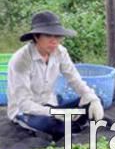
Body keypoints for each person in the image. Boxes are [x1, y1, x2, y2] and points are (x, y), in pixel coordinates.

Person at [7, 11, 105, 141]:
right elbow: (24, 103)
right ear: (36, 36)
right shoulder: (21, 60)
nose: (54, 41)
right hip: (27, 111)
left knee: (94, 101)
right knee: (55, 126)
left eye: (57, 36)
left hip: (53, 105)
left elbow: (75, 80)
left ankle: (73, 123)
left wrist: (93, 99)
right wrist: (54, 113)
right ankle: (74, 124)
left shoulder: (60, 52)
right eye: (48, 36)